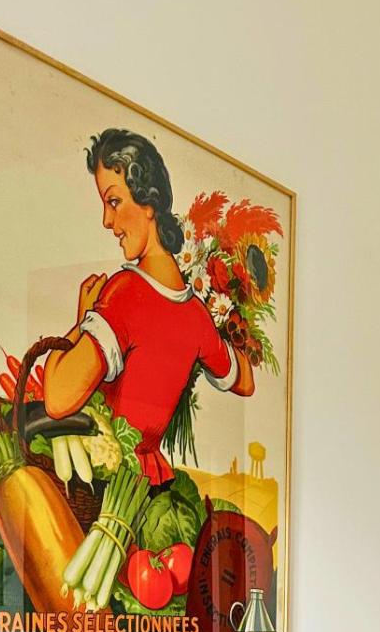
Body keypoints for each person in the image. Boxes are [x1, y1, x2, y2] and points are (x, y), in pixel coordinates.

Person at [42, 128, 253, 486]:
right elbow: (244, 380)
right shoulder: (197, 316)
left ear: (148, 202)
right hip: (152, 481)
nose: (107, 221)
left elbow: (58, 399)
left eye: (113, 202)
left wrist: (82, 322)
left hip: (106, 483)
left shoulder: (125, 294)